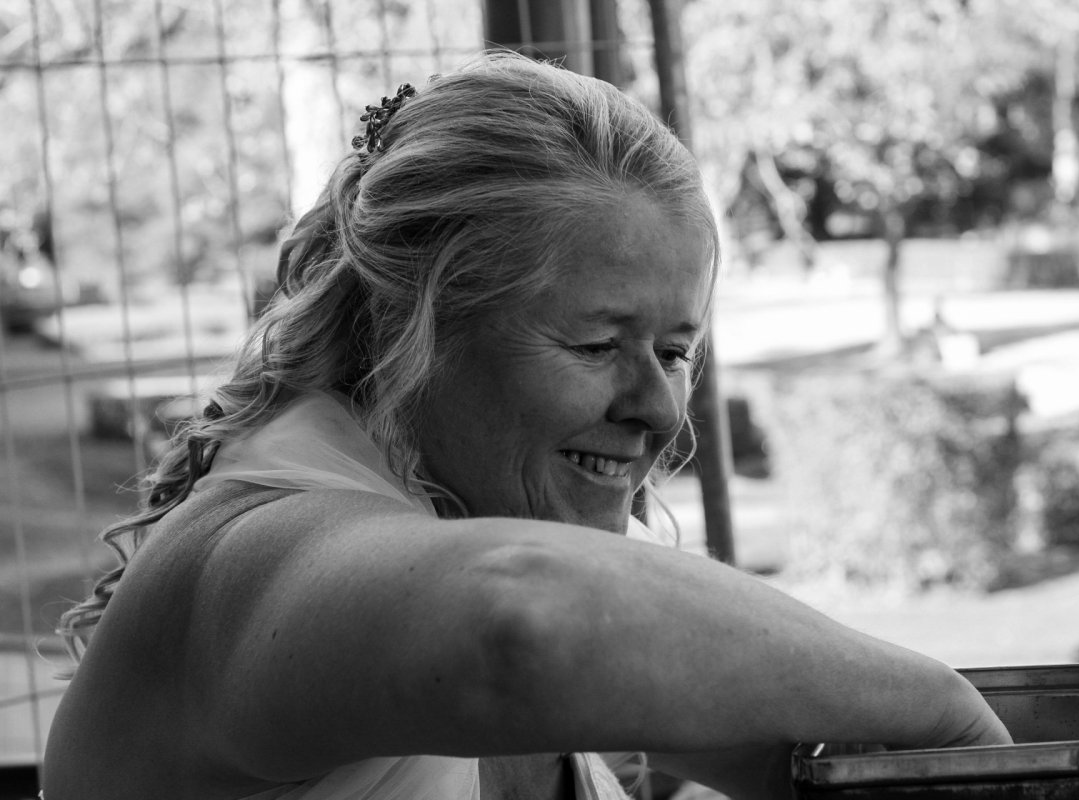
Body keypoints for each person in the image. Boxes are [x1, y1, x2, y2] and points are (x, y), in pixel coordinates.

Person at [41, 52, 1010, 800]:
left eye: (676, 350)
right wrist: (943, 709)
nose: (661, 409)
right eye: (597, 344)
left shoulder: (477, 517)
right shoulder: (259, 547)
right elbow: (523, 619)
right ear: (409, 322)